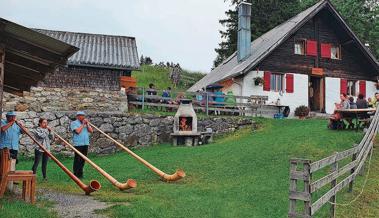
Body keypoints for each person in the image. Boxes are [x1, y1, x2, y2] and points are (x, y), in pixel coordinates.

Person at [70, 111, 93, 178]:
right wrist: (83, 125)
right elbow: (77, 131)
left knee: (83, 159)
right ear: (77, 116)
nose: (83, 117)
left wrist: (88, 124)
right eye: (81, 115)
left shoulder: (85, 123)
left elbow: (91, 131)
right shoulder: (73, 123)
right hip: (78, 144)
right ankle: (75, 174)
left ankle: (80, 174)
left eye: (83, 115)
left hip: (85, 143)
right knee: (77, 159)